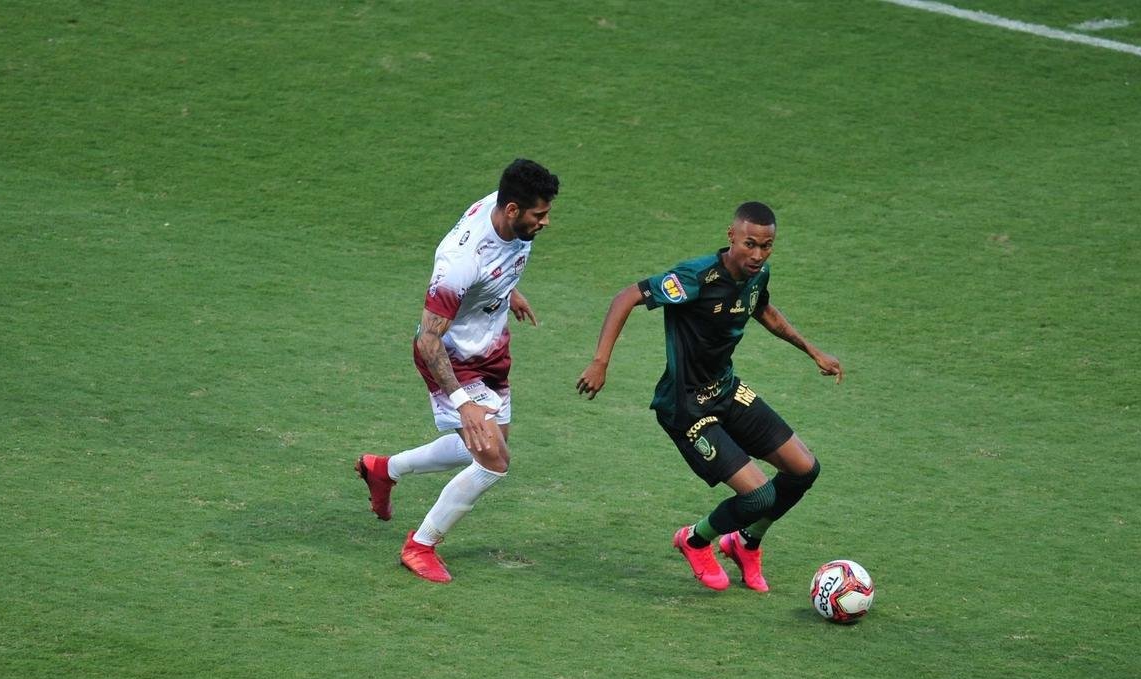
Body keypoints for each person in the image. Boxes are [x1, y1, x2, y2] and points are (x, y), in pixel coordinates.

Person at [576, 201, 842, 592]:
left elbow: (762, 309)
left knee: (804, 470)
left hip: (727, 390)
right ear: (731, 236)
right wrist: (600, 361)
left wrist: (812, 349)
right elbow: (626, 297)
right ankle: (695, 540)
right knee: (758, 497)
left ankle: (746, 542)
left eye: (766, 246)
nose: (757, 254)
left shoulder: (758, 274)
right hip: (685, 405)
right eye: (749, 243)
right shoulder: (695, 278)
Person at [356, 159, 560, 583]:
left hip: (492, 346)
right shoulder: (460, 261)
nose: (546, 222)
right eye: (539, 215)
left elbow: (495, 264)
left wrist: (508, 291)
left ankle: (384, 470)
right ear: (512, 210)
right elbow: (428, 341)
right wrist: (463, 403)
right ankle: (420, 545)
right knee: (494, 461)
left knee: (488, 444)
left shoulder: (502, 211)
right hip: (451, 357)